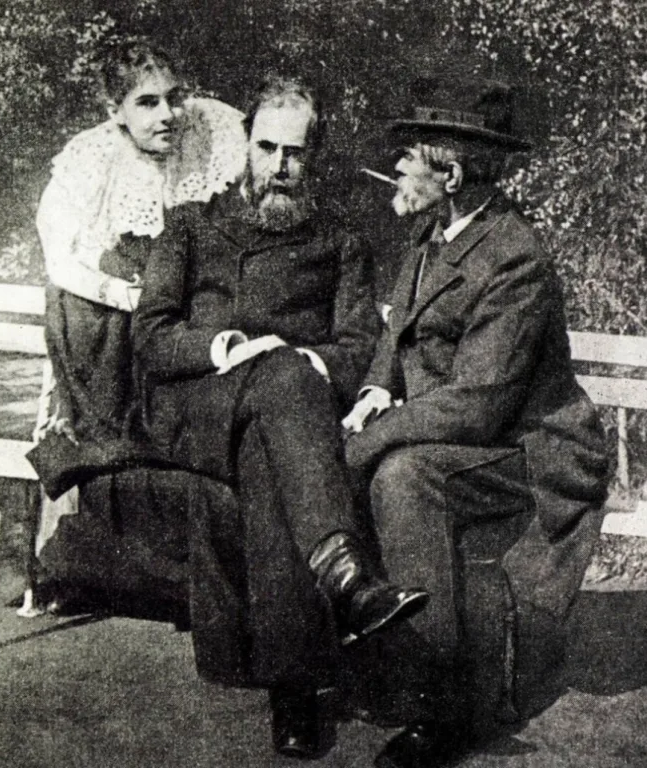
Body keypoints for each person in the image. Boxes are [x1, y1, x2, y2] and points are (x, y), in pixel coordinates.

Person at [133, 76, 429, 760]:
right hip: (200, 403)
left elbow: (358, 346)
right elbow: (149, 336)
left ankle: (293, 684)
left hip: (287, 417)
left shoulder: (340, 241)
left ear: (313, 156)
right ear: (247, 147)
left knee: (273, 435)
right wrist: (226, 347)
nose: (279, 165)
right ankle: (345, 582)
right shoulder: (191, 226)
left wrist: (299, 364)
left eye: (294, 152)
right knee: (281, 382)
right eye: (266, 148)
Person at [343, 72, 609, 768]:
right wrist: (374, 392)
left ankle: (440, 707)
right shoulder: (432, 234)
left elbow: (479, 403)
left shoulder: (514, 256)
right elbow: (397, 334)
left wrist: (372, 439)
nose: (396, 164)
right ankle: (352, 665)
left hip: (532, 452)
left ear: (453, 175)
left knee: (404, 476)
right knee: (351, 452)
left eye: (410, 155)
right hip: (465, 438)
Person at [32, 38, 246, 608]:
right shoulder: (90, 159)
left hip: (184, 309)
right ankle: (112, 567)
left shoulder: (211, 132)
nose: (167, 114)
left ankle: (199, 573)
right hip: (111, 317)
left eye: (174, 98)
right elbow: (60, 261)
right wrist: (124, 295)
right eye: (147, 103)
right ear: (116, 110)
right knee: (116, 413)